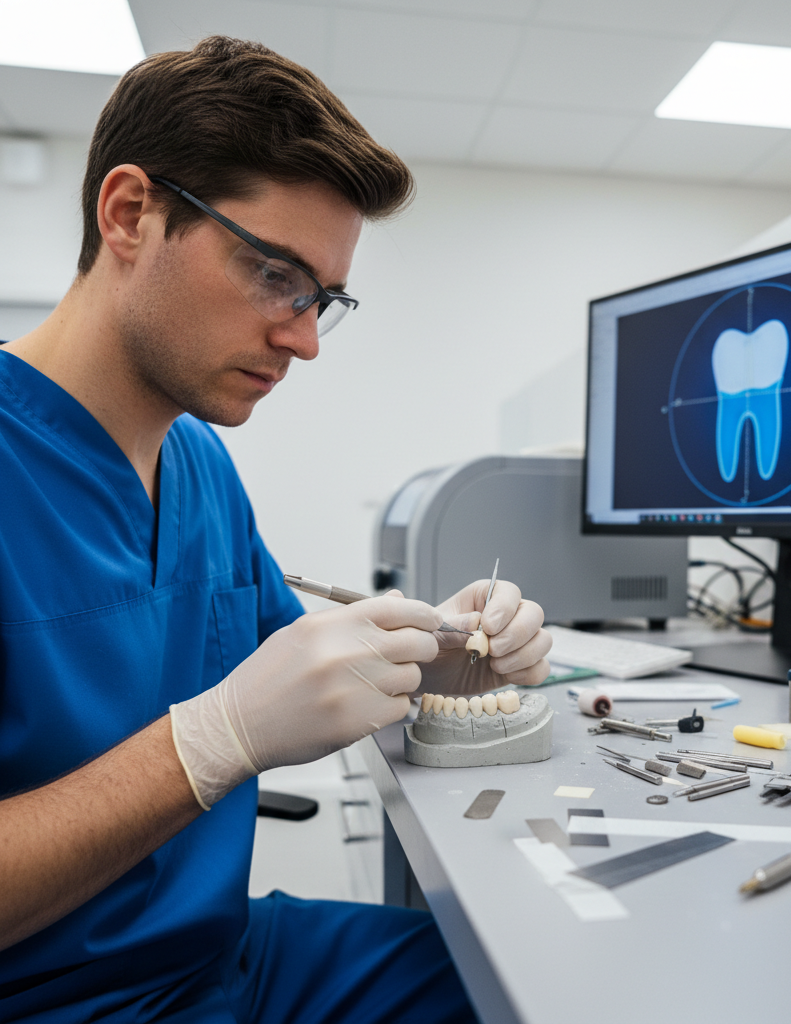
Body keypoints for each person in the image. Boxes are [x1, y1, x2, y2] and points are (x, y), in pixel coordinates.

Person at [0, 36, 551, 1022]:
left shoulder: (199, 462)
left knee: (549, 978)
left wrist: (439, 656)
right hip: (62, 1002)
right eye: (272, 274)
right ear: (131, 214)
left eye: (321, 300)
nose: (302, 338)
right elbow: (239, 715)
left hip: (225, 961)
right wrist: (213, 740)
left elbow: (282, 668)